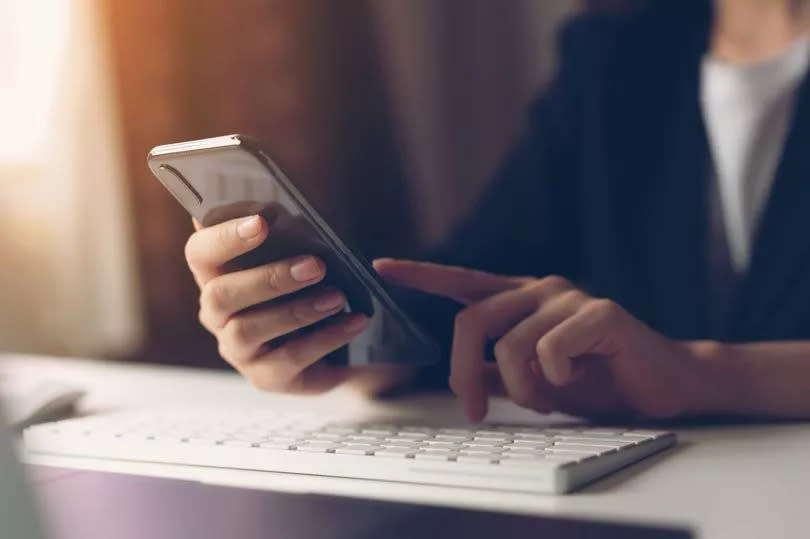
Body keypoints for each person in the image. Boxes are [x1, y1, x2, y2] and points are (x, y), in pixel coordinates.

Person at [183, 0, 810, 422]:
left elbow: (690, 370)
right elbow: (479, 272)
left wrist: (711, 373)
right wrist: (339, 338)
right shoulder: (620, 46)